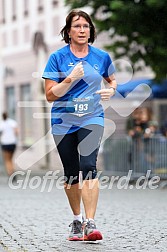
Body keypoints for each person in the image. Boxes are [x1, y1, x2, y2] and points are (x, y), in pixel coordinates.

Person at [42, 10, 117, 241]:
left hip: (91, 118)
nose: (82, 30)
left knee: (88, 165)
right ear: (69, 31)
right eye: (77, 26)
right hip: (63, 122)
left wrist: (111, 90)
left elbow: (112, 79)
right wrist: (70, 78)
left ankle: (90, 223)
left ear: (90, 30)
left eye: (86, 26)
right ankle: (76, 220)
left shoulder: (101, 57)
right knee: (71, 173)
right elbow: (50, 96)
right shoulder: (57, 58)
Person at [0, 112, 18, 178]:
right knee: (11, 159)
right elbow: (16, 132)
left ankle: (10, 174)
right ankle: (13, 171)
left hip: (5, 143)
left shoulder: (1, 124)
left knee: (7, 160)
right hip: (12, 143)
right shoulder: (12, 122)